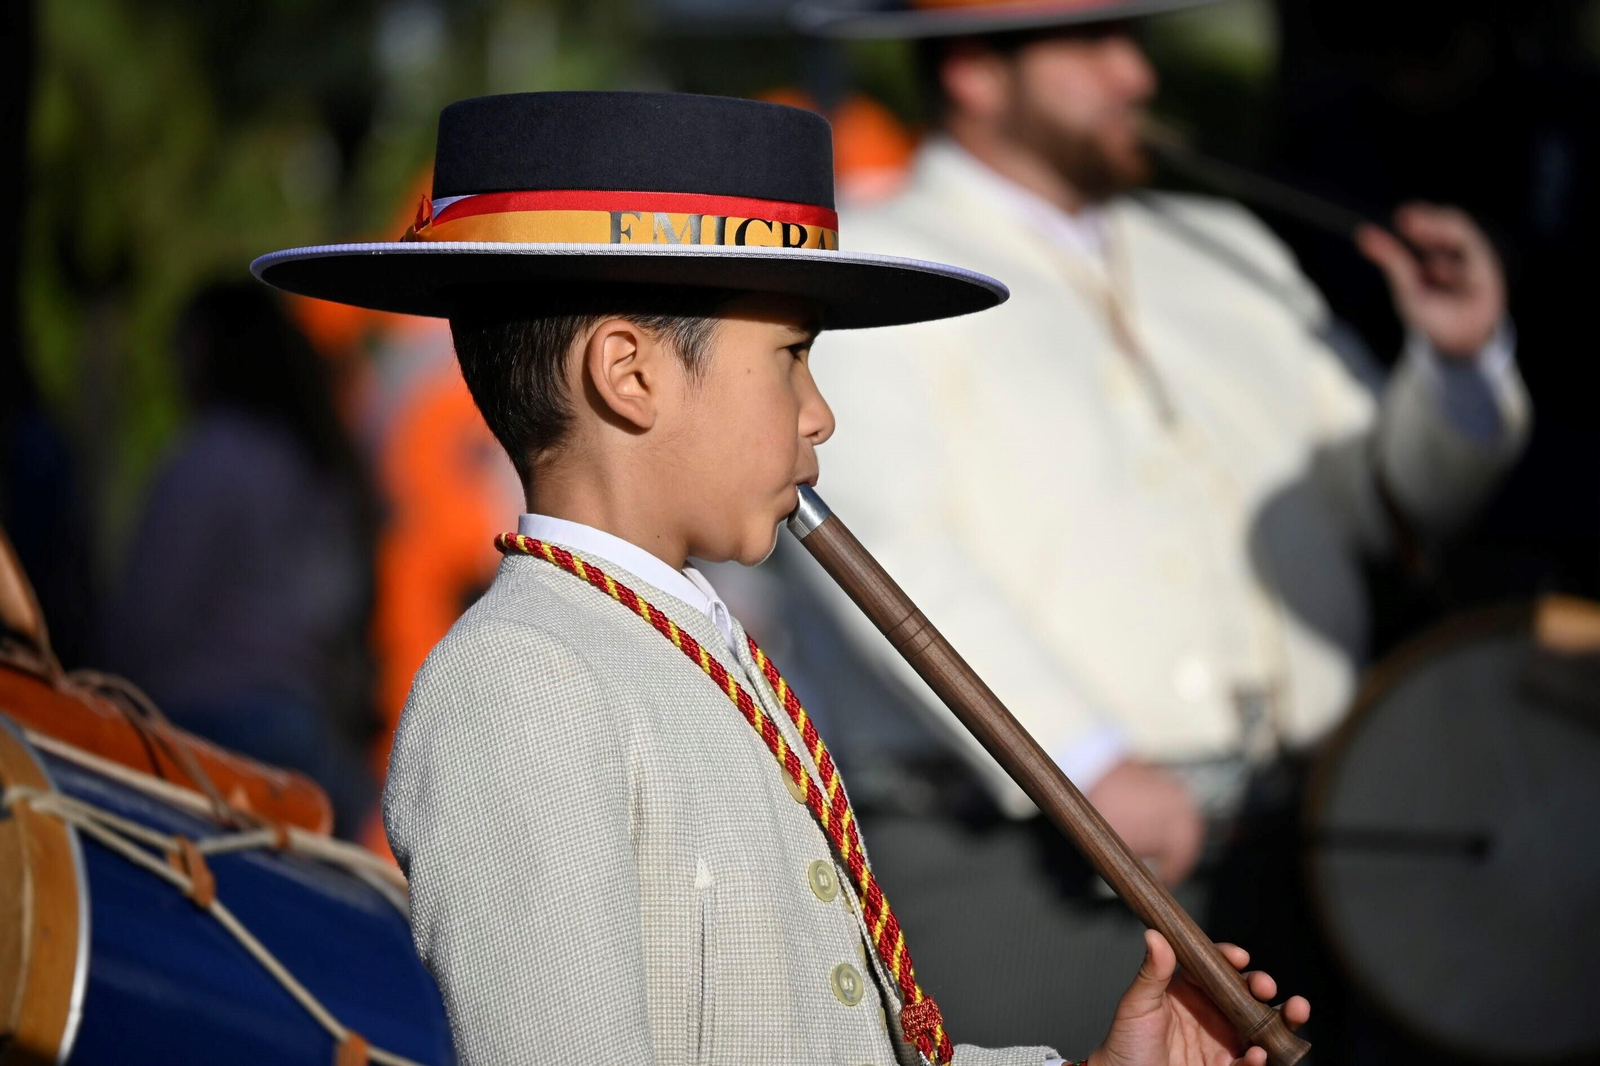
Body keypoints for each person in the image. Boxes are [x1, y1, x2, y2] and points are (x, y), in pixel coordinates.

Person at [254, 90, 1307, 1066]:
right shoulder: (524, 684)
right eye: (791, 358)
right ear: (629, 376)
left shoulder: (697, 647)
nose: (819, 412)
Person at [788, 0, 1531, 1053]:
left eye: (1132, 41)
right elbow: (890, 553)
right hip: (1021, 864)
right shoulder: (872, 265)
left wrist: (1458, 366)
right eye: (1092, 45)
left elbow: (1385, 498)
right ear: (971, 70)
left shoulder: (1226, 247)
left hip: (1302, 840)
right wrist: (1082, 765)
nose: (1137, 76)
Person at [99, 282, 380, 836]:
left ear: (207, 350)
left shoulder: (210, 456)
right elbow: (342, 612)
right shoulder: (321, 470)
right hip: (306, 746)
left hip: (201, 741)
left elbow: (147, 610)